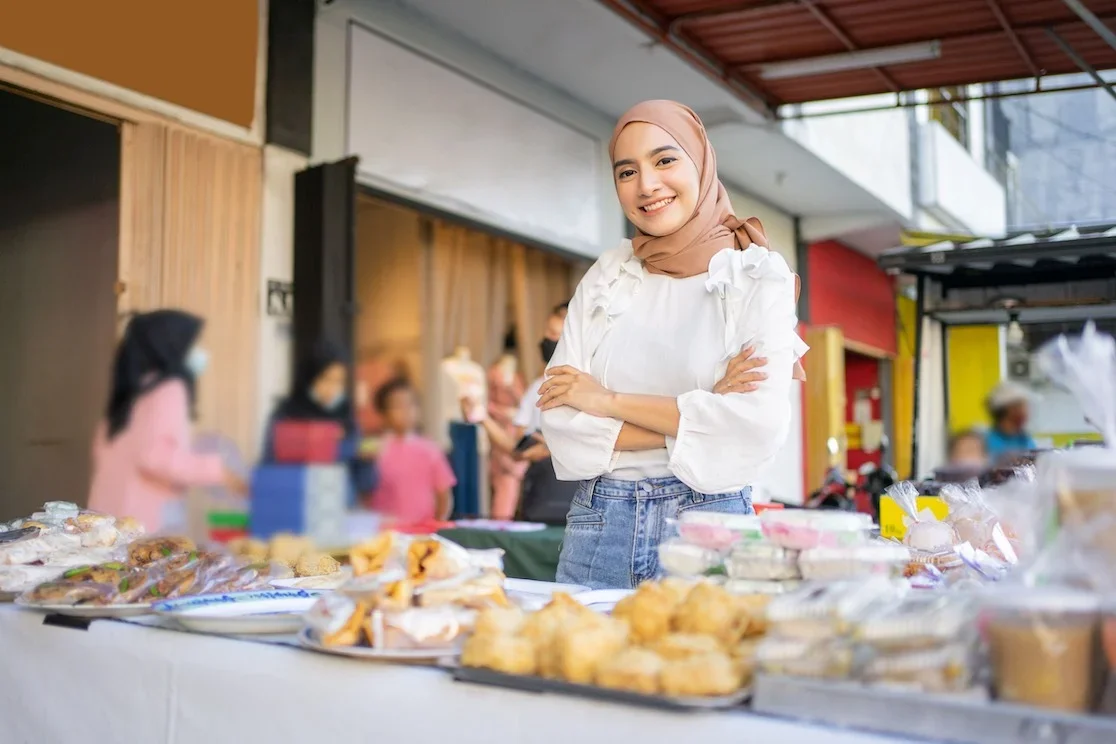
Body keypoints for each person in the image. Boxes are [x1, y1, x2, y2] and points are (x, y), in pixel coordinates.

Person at [539, 100, 806, 589]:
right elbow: (559, 426)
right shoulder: (608, 274)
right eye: (626, 171)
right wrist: (706, 407)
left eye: (665, 160)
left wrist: (605, 401)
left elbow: (757, 426)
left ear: (700, 163)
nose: (646, 185)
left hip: (711, 528)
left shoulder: (756, 275)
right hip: (598, 527)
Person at [88, 310, 247, 532]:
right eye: (192, 345)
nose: (199, 352)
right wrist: (220, 472)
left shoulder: (131, 392)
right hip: (142, 523)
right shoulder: (169, 389)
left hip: (105, 518)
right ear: (172, 346)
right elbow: (155, 457)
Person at [464, 304, 575, 523]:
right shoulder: (536, 388)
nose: (547, 340)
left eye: (554, 335)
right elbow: (517, 449)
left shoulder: (591, 387)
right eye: (547, 333)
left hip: (578, 503)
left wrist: (551, 447)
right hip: (541, 502)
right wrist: (482, 416)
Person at [261, 340, 376, 498]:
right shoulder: (286, 414)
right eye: (326, 379)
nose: (332, 389)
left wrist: (367, 459)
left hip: (339, 503)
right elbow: (270, 467)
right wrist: (324, 442)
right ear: (309, 378)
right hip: (296, 499)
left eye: (339, 381)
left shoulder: (347, 418)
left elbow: (365, 482)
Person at [368, 378, 456, 524]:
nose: (406, 411)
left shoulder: (430, 449)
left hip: (422, 529)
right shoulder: (376, 450)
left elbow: (444, 494)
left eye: (410, 404)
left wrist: (437, 523)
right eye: (398, 406)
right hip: (387, 530)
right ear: (384, 413)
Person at [984, 381, 1037, 462]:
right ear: (1007, 409)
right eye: (1021, 406)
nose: (1026, 412)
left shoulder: (1025, 439)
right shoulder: (985, 441)